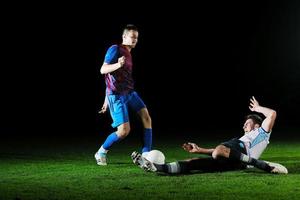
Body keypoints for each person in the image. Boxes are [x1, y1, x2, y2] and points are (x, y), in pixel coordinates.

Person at [131, 96, 288, 174]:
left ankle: (261, 164)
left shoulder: (261, 133)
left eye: (247, 123)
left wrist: (258, 108)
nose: (243, 125)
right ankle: (157, 167)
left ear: (256, 125)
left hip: (240, 155)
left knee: (220, 150)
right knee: (194, 162)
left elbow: (273, 114)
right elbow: (222, 151)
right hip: (236, 161)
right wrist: (199, 149)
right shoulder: (241, 139)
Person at [95, 24, 152, 165]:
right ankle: (101, 151)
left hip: (130, 92)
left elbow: (110, 79)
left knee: (146, 118)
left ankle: (146, 155)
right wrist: (118, 65)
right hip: (116, 96)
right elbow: (103, 70)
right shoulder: (115, 49)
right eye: (132, 37)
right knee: (123, 131)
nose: (134, 40)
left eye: (136, 38)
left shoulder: (129, 53)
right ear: (124, 37)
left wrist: (104, 99)